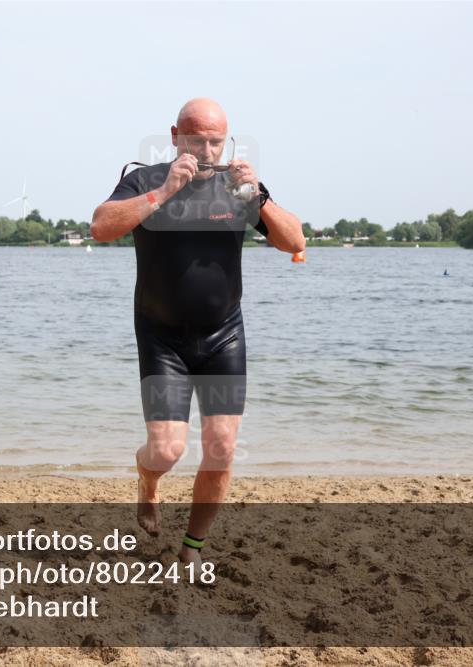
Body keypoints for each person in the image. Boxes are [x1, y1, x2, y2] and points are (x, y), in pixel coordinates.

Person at [91, 98, 305, 566]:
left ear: (226, 140)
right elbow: (100, 228)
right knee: (167, 451)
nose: (207, 150)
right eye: (196, 140)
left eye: (215, 141)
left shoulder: (240, 188)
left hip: (223, 334)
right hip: (161, 335)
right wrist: (165, 191)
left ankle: (191, 549)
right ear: (175, 137)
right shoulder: (145, 179)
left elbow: (295, 242)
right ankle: (148, 481)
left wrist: (259, 198)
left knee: (222, 447)